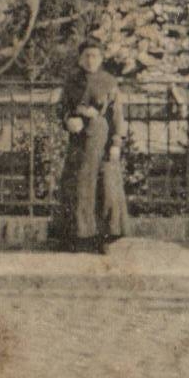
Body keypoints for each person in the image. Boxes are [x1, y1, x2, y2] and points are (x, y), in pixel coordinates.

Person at [58, 38, 129, 252]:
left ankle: (104, 238)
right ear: (80, 58)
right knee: (79, 186)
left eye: (95, 56)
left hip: (102, 138)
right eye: (86, 55)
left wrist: (116, 142)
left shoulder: (108, 82)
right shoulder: (71, 82)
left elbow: (117, 115)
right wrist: (68, 120)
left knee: (104, 186)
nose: (90, 60)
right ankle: (79, 237)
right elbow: (61, 109)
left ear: (101, 58)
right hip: (79, 141)